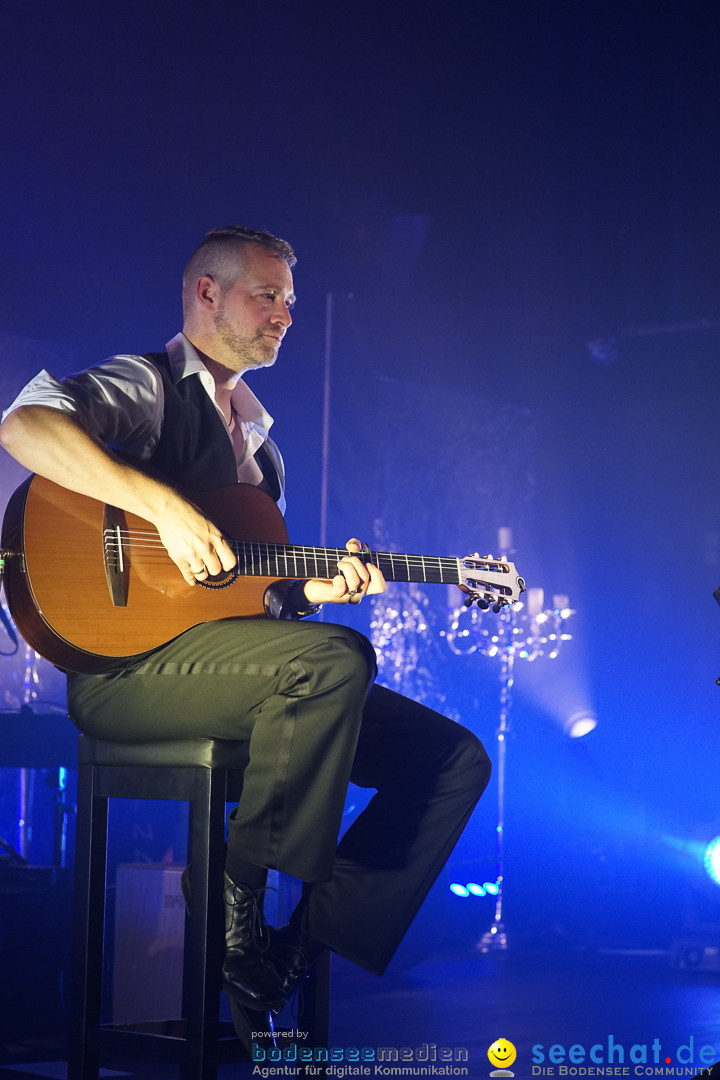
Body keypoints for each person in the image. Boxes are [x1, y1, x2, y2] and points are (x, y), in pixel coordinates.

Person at [0, 226, 491, 1043]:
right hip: (122, 675)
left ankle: (292, 948)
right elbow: (23, 428)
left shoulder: (264, 456)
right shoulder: (149, 386)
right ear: (206, 294)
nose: (286, 315)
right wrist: (162, 505)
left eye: (291, 301)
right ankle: (233, 898)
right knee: (336, 662)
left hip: (221, 671)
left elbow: (250, 611)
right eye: (268, 294)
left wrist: (314, 589)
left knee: (451, 760)